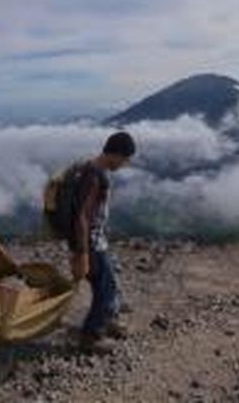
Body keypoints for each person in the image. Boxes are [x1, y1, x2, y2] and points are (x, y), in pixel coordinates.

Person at [67, 131, 136, 353]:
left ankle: (108, 322)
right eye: (124, 160)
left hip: (97, 243)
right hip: (91, 246)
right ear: (115, 154)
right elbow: (82, 216)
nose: (124, 165)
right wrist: (82, 253)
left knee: (110, 284)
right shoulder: (94, 176)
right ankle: (91, 336)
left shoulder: (90, 169)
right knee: (104, 290)